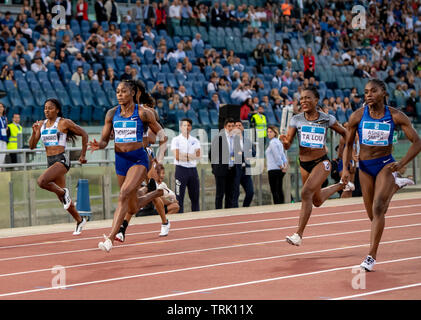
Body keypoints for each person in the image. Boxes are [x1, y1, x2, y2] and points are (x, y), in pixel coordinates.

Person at [341, 79, 421, 272]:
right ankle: (395, 186)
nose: (368, 94)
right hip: (365, 168)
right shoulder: (358, 116)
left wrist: (401, 163)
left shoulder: (395, 116)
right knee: (372, 215)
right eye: (366, 91)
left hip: (386, 165)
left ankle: (371, 256)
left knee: (378, 209)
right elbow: (348, 144)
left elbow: (417, 142)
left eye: (373, 91)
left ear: (384, 93)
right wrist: (346, 167)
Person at [88, 80, 168, 253]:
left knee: (124, 194)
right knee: (131, 205)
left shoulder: (144, 113)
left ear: (132, 93)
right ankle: (158, 192)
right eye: (117, 91)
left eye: (123, 91)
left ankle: (110, 238)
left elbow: (163, 137)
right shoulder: (111, 113)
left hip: (139, 159)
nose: (119, 94)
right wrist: (99, 145)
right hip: (121, 160)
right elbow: (104, 139)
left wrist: (159, 159)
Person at [280, 86, 352, 246]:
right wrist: (285, 142)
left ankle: (298, 235)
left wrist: (346, 157)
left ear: (316, 100)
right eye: (302, 98)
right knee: (317, 200)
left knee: (305, 193)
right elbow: (288, 143)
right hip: (304, 163)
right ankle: (341, 186)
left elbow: (346, 134)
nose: (304, 101)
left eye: (307, 98)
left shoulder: (327, 119)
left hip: (322, 162)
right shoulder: (296, 119)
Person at [28, 99, 89, 235]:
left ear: (57, 110)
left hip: (61, 160)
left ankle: (63, 192)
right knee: (63, 200)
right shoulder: (42, 125)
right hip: (50, 161)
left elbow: (84, 134)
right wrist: (34, 132)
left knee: (41, 181)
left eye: (50, 108)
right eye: (45, 108)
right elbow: (32, 146)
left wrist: (83, 155)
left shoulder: (63, 123)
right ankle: (80, 220)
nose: (47, 111)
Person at [210, 118, 242, 209]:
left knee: (230, 194)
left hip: (232, 169)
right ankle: (218, 213)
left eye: (232, 126)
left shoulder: (236, 138)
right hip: (221, 170)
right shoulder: (219, 137)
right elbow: (211, 154)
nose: (231, 128)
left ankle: (228, 213)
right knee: (220, 194)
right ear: (225, 127)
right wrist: (215, 168)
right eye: (229, 126)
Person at [171, 118, 201, 213]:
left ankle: (196, 217)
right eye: (184, 125)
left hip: (193, 170)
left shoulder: (195, 140)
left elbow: (198, 156)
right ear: (180, 127)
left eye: (188, 125)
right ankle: (180, 218)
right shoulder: (176, 140)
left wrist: (184, 155)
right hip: (181, 170)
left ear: (191, 127)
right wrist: (191, 156)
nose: (186, 127)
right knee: (179, 197)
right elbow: (177, 156)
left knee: (195, 197)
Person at [234, 120, 255, 207]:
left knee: (250, 192)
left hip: (246, 169)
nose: (238, 127)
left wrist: (244, 153)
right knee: (235, 193)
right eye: (236, 125)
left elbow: (253, 152)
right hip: (235, 170)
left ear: (242, 128)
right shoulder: (231, 141)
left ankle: (245, 208)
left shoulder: (247, 141)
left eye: (239, 125)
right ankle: (234, 211)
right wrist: (245, 154)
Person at [266, 125, 288, 204]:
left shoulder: (272, 143)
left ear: (275, 133)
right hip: (279, 169)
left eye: (270, 132)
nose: (268, 133)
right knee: (279, 189)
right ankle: (281, 205)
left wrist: (281, 166)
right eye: (268, 132)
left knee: (275, 190)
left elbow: (277, 156)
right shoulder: (278, 142)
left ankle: (278, 206)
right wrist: (285, 165)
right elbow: (282, 155)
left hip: (273, 169)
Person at [0, 103, 8, 170]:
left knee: (3, 155)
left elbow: (6, 128)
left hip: (4, 138)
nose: (0, 108)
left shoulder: (5, 118)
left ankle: (1, 170)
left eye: (1, 107)